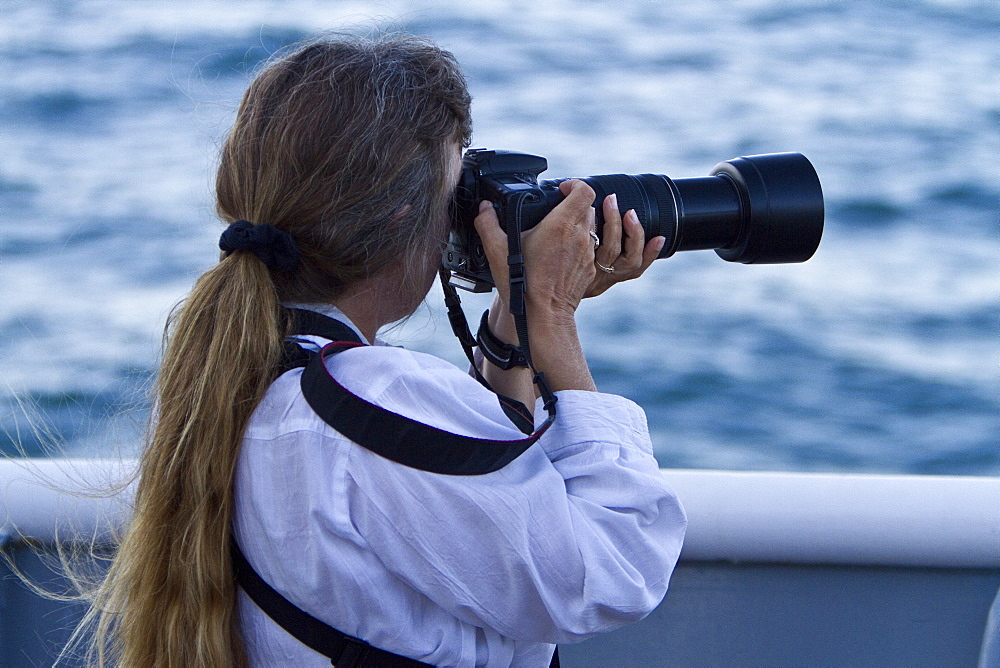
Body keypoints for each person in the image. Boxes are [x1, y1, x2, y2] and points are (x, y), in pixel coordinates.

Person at [87, 34, 686, 667]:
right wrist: (553, 314)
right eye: (453, 193)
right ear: (404, 216)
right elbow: (613, 570)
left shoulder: (234, 380)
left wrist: (516, 315)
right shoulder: (370, 400)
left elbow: (494, 495)